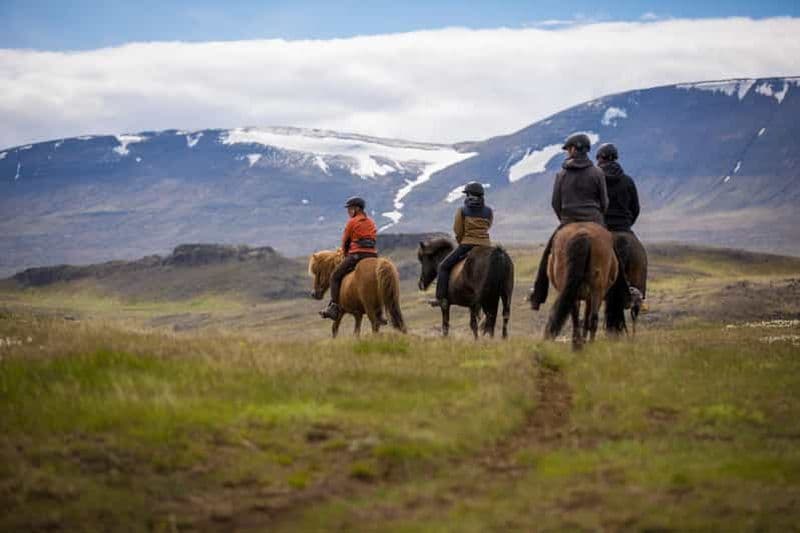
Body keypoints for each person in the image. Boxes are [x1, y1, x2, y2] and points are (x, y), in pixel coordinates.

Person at [529, 133, 608, 310]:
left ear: (573, 149)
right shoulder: (597, 173)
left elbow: (555, 203)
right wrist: (597, 219)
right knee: (613, 254)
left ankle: (537, 295)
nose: (567, 153)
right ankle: (624, 290)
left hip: (568, 221)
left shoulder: (562, 175)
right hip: (595, 220)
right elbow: (604, 202)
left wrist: (565, 220)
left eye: (568, 149)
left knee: (546, 256)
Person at [428, 181, 493, 309]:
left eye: (467, 194)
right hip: (486, 247)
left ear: (469, 195)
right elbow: (488, 226)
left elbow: (458, 230)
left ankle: (441, 298)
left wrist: (461, 241)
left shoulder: (462, 211)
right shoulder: (488, 211)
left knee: (443, 267)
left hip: (467, 244)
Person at [320, 196, 378, 321]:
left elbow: (346, 241)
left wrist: (346, 254)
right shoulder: (371, 222)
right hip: (373, 256)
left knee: (335, 277)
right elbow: (373, 239)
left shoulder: (352, 222)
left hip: (356, 255)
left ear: (357, 209)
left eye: (350, 209)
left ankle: (334, 307)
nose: (348, 212)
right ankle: (380, 312)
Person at [595, 143, 640, 233]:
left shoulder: (594, 180)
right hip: (623, 227)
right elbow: (635, 208)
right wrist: (626, 225)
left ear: (600, 158)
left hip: (600, 226)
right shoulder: (628, 180)